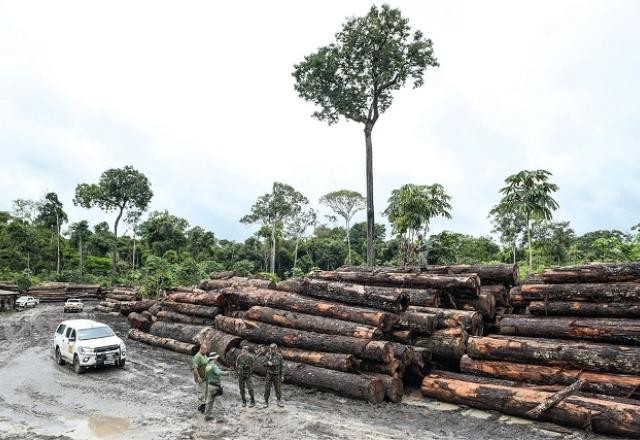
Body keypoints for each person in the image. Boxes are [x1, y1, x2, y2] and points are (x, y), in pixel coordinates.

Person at [263, 343, 284, 408]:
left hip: (277, 375)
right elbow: (263, 364)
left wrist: (282, 375)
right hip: (269, 374)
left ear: (276, 349)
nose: (272, 350)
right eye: (271, 349)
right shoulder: (267, 355)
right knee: (267, 389)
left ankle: (279, 401)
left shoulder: (279, 356)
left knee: (278, 389)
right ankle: (266, 402)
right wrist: (267, 363)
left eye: (274, 349)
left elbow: (282, 366)